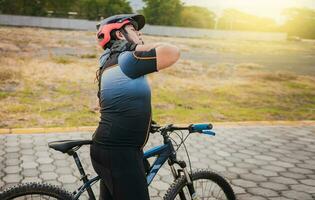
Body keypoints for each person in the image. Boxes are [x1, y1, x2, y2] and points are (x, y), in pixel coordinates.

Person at [90, 14, 180, 200]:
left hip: (112, 149)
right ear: (120, 36)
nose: (139, 33)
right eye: (133, 29)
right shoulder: (126, 59)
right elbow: (172, 52)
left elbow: (117, 105)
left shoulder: (109, 63)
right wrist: (134, 47)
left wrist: (148, 123)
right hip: (119, 153)